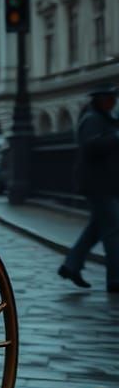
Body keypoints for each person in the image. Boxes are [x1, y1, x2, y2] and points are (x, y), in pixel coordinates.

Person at [58, 85, 119, 293]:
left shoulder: (106, 119)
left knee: (96, 228)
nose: (113, 101)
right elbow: (90, 147)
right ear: (100, 100)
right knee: (113, 229)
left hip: (107, 183)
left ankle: (71, 266)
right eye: (109, 98)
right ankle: (115, 278)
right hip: (97, 184)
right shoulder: (92, 119)